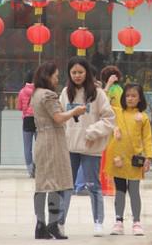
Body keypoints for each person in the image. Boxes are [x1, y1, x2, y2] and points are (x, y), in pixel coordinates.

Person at [59, 57, 115, 237]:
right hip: (70, 147)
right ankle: (59, 222)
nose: (77, 76)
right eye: (74, 72)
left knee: (93, 186)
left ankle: (98, 222)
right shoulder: (65, 93)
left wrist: (93, 132)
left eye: (81, 72)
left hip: (91, 148)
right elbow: (60, 117)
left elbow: (109, 119)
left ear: (87, 73)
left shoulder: (98, 94)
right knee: (66, 186)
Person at [31, 62, 86, 240]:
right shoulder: (48, 95)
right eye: (55, 76)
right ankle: (52, 224)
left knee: (43, 184)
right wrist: (74, 111)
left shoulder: (36, 93)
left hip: (42, 139)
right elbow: (58, 118)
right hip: (52, 141)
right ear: (47, 76)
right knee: (55, 185)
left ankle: (41, 224)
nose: (57, 79)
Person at [105, 83, 152, 236]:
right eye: (127, 96)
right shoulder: (117, 112)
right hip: (118, 158)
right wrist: (108, 85)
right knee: (120, 191)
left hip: (135, 160)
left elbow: (147, 138)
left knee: (134, 191)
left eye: (134, 96)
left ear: (140, 98)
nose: (130, 98)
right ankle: (118, 221)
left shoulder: (143, 117)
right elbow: (102, 101)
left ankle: (136, 222)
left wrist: (148, 157)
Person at [100, 65, 124, 196]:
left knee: (108, 154)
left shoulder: (112, 90)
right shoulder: (120, 89)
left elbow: (103, 103)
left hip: (111, 124)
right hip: (118, 123)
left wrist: (107, 86)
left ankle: (107, 187)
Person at [17, 71, 36, 178]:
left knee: (27, 147)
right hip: (38, 119)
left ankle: (30, 170)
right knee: (40, 145)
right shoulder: (38, 91)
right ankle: (39, 168)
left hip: (27, 120)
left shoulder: (22, 91)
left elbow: (19, 107)